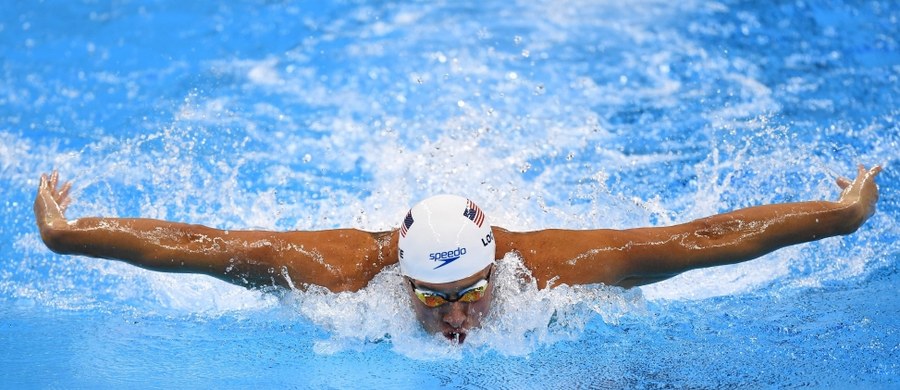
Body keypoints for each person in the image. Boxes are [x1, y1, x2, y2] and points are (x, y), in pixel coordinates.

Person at [34, 166, 882, 343]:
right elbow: (204, 247)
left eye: (471, 292)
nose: (463, 314)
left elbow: (696, 241)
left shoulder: (547, 268)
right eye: (436, 299)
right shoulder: (340, 273)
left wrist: (837, 219)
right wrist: (70, 236)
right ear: (401, 275)